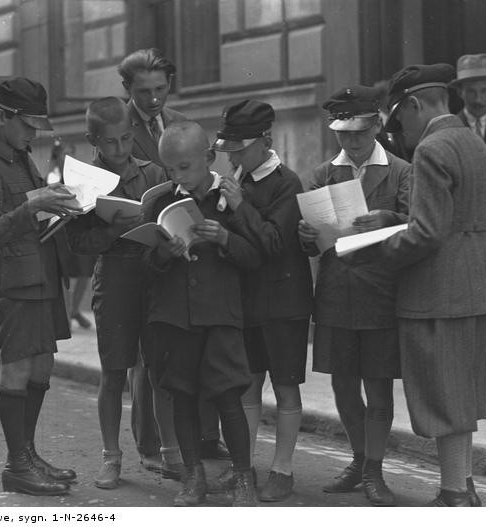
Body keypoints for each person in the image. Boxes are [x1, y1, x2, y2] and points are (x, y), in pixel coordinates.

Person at [376, 63, 486, 506]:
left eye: (400, 118)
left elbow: (426, 232)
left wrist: (379, 250)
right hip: (475, 290)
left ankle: (452, 494)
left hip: (434, 294)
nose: (401, 131)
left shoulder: (430, 149)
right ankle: (463, 487)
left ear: (413, 104)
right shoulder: (475, 143)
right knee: (461, 397)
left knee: (440, 398)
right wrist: (395, 220)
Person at [0, 76, 81, 496]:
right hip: (17, 281)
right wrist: (33, 205)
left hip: (41, 273)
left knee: (42, 365)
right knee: (17, 366)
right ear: (1, 117)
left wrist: (55, 204)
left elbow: (27, 213)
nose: (34, 133)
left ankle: (28, 453)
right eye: (28, 125)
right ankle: (16, 464)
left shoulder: (18, 155)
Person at [299, 86, 410, 506]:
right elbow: (311, 242)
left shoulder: (401, 171)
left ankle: (375, 470)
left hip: (381, 294)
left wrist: (391, 217)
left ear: (377, 125)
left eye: (359, 133)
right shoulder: (322, 174)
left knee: (378, 387)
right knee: (344, 386)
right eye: (343, 134)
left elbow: (416, 224)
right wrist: (307, 235)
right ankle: (359, 459)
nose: (351, 142)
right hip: (337, 292)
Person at [65, 97, 183, 488]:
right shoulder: (84, 183)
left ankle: (170, 453)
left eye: (126, 139)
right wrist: (114, 229)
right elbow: (77, 243)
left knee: (160, 368)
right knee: (114, 372)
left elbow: (166, 219)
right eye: (111, 142)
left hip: (153, 280)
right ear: (92, 139)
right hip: (113, 282)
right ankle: (110, 458)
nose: (120, 149)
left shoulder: (151, 174)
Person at [119, 48, 229, 462]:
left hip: (186, 241)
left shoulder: (183, 123)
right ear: (127, 89)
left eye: (161, 90)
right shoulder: (117, 125)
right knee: (150, 354)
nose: (153, 99)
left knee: (195, 346)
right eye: (143, 91)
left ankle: (202, 437)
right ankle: (151, 444)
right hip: (142, 244)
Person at [146, 120, 261, 506]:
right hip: (176, 317)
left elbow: (255, 256)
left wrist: (226, 238)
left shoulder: (231, 197)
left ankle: (243, 476)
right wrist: (165, 252)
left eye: (185, 167)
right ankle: (192, 477)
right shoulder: (159, 201)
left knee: (228, 396)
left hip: (220, 316)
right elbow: (145, 261)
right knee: (182, 396)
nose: (178, 177)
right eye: (170, 169)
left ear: (209, 158)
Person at [212, 99, 313, 502]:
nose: (232, 155)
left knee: (286, 388)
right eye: (230, 149)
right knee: (247, 387)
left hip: (285, 303)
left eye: (239, 148)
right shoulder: (240, 177)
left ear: (265, 141)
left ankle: (283, 471)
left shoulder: (287, 183)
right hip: (249, 300)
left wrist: (239, 204)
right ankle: (244, 470)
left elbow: (273, 241)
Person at [48, 139, 95, 330]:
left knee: (85, 272)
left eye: (72, 153)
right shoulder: (52, 177)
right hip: (60, 232)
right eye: (64, 154)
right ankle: (66, 313)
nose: (69, 158)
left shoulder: (79, 176)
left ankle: (74, 309)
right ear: (57, 156)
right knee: (64, 275)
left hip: (79, 229)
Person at [449, 53, 486, 169]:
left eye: (484, 91)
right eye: (471, 92)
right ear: (460, 92)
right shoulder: (450, 129)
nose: (478, 99)